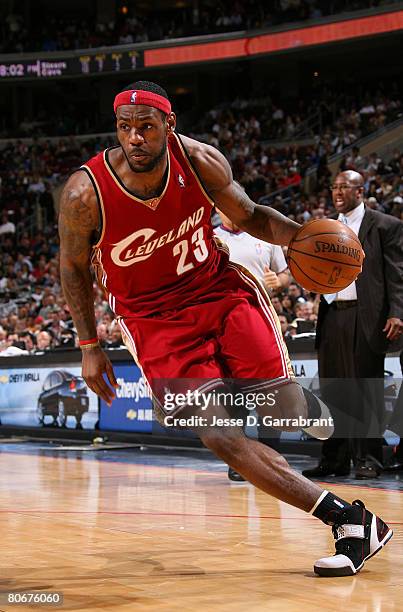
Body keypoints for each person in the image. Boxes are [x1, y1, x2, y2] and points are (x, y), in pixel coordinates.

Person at [59, 81, 392, 577]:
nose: (135, 138)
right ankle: (349, 520)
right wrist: (89, 345)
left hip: (220, 291)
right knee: (218, 434)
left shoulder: (199, 162)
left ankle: (303, 404)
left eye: (146, 127)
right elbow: (71, 268)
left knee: (279, 406)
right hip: (152, 319)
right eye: (125, 128)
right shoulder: (84, 193)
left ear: (169, 126)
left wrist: (305, 241)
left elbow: (253, 215)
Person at [303, 170, 403, 480]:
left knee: (364, 388)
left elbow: (397, 275)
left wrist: (397, 312)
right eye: (334, 187)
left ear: (360, 191)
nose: (337, 192)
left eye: (344, 187)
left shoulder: (385, 225)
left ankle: (369, 458)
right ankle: (334, 459)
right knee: (332, 388)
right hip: (332, 313)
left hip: (366, 314)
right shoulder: (326, 228)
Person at [214, 209, 289, 481]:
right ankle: (241, 461)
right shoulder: (208, 238)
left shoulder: (265, 237)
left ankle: (273, 457)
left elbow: (284, 274)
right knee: (235, 396)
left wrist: (278, 282)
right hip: (223, 323)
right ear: (216, 207)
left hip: (262, 317)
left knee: (270, 391)